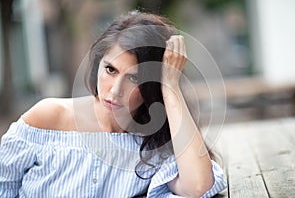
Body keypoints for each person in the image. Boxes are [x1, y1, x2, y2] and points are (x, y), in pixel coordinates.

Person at [0, 11, 226, 197]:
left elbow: (198, 186)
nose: (116, 91)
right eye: (110, 69)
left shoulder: (153, 146)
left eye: (134, 78)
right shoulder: (48, 117)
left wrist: (170, 85)